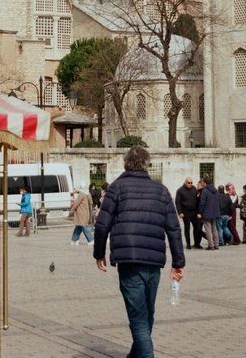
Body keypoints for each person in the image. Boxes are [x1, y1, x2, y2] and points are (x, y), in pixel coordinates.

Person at [93, 146, 184, 358]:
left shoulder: (116, 188)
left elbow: (101, 224)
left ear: (126, 164)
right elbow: (173, 228)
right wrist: (178, 262)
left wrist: (99, 254)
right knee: (146, 316)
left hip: (129, 261)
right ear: (147, 165)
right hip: (153, 262)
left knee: (140, 318)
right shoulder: (161, 191)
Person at [174, 177, 199, 249]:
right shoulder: (180, 190)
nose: (190, 184)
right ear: (185, 182)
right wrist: (180, 212)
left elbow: (197, 199)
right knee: (187, 228)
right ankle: (188, 244)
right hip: (185, 212)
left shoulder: (194, 188)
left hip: (194, 211)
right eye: (189, 183)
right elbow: (177, 202)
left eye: (191, 183)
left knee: (197, 227)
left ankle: (197, 243)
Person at [196, 176, 220, 250]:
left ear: (205, 183)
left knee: (208, 229)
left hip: (207, 212)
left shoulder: (205, 191)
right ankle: (216, 244)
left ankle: (211, 245)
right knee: (214, 228)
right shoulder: (215, 190)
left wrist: (199, 212)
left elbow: (202, 202)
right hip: (215, 212)